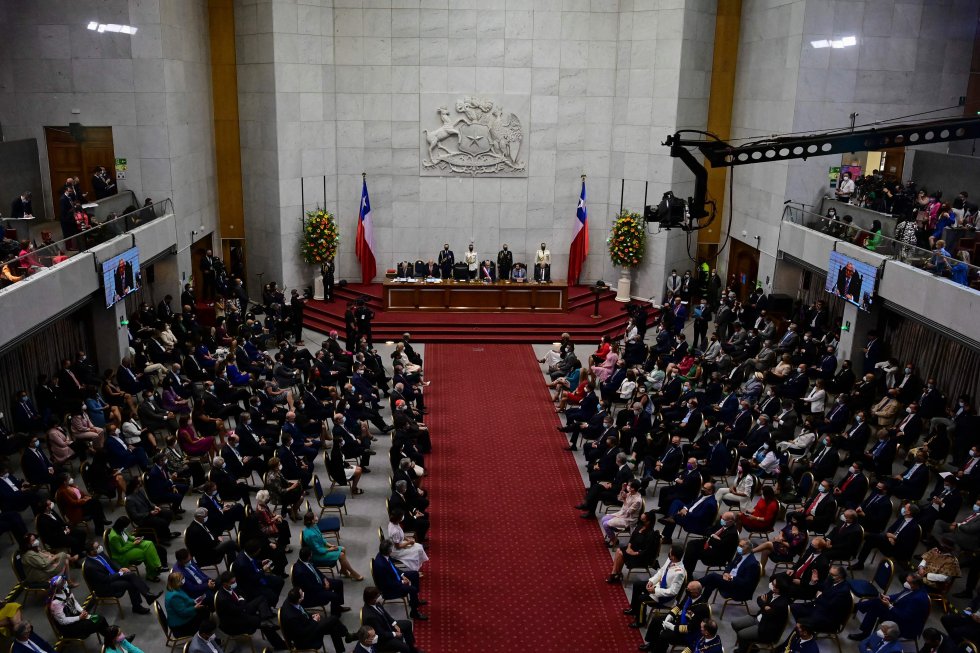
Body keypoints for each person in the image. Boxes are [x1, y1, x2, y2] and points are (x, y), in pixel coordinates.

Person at [82, 539, 159, 615]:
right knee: (130, 582)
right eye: (97, 547)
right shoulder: (90, 566)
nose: (100, 547)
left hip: (113, 576)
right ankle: (142, 601)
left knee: (131, 575)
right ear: (91, 551)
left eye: (99, 545)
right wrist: (120, 573)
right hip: (105, 586)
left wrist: (120, 569)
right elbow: (106, 579)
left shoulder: (100, 553)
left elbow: (111, 562)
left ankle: (146, 596)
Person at [732, 578, 789, 653]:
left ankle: (743, 650)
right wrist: (765, 606)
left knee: (741, 634)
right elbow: (759, 599)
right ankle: (747, 643)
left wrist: (764, 604)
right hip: (758, 618)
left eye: (773, 585)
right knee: (735, 623)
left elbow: (768, 614)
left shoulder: (782, 604)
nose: (771, 585)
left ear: (778, 589)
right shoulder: (772, 592)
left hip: (765, 629)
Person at [373, 539, 426, 620]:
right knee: (413, 589)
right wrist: (402, 581)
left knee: (415, 574)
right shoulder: (381, 565)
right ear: (389, 551)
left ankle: (415, 601)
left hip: (394, 577)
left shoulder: (383, 555)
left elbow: (392, 567)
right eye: (392, 548)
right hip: (390, 589)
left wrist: (401, 575)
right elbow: (387, 583)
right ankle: (414, 613)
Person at [301, 510, 363, 578]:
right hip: (317, 555)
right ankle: (353, 573)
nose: (317, 517)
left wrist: (330, 545)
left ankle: (343, 570)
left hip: (323, 548)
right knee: (341, 555)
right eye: (315, 517)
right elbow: (318, 550)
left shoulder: (314, 525)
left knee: (343, 549)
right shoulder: (310, 535)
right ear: (312, 521)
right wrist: (331, 549)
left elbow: (321, 539)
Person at [48, 573, 111, 640]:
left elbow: (74, 602)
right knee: (99, 622)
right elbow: (63, 621)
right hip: (69, 627)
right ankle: (110, 637)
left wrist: (82, 610)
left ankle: (110, 636)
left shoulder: (66, 590)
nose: (65, 582)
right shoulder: (55, 603)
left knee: (101, 619)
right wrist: (79, 617)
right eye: (63, 582)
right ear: (58, 587)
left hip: (77, 616)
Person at [107, 516, 168, 581]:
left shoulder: (120, 529)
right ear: (121, 525)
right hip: (122, 555)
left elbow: (128, 537)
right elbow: (120, 550)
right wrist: (133, 544)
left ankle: (157, 566)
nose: (126, 528)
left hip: (129, 545)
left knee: (149, 543)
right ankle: (152, 573)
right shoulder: (114, 537)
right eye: (126, 526)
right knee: (145, 553)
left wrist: (134, 538)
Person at [165, 571, 209, 637]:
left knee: (204, 610)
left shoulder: (175, 588)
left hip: (182, 615)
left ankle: (205, 631)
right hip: (180, 624)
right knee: (204, 614)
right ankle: (203, 635)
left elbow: (186, 599)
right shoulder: (174, 597)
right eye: (182, 579)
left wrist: (194, 601)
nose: (183, 580)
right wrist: (195, 608)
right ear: (177, 582)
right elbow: (183, 613)